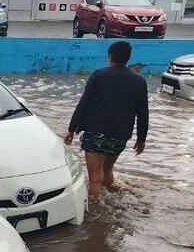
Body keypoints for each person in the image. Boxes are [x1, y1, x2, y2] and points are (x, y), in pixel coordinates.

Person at [64, 40, 149, 197]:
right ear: (127, 58)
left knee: (95, 179)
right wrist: (141, 140)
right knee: (107, 170)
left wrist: (71, 129)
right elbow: (143, 113)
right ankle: (114, 205)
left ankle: (95, 216)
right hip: (120, 137)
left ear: (110, 56)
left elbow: (84, 103)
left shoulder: (99, 75)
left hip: (96, 134)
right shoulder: (139, 81)